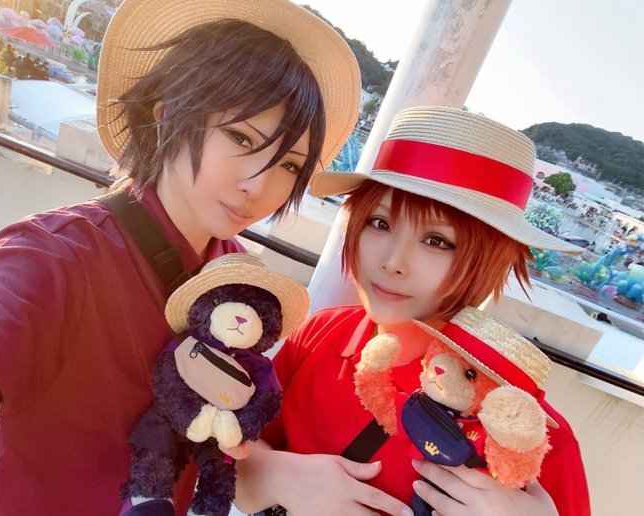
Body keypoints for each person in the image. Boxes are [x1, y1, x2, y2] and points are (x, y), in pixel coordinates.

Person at [0, 0, 360, 514]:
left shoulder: (241, 283)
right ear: (167, 112)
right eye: (240, 136)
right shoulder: (53, 254)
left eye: (288, 165)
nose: (258, 185)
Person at [234, 106, 590, 516]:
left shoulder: (525, 431)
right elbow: (235, 455)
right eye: (380, 223)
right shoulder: (323, 333)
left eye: (437, 241)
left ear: (491, 260)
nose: (393, 262)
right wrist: (277, 475)